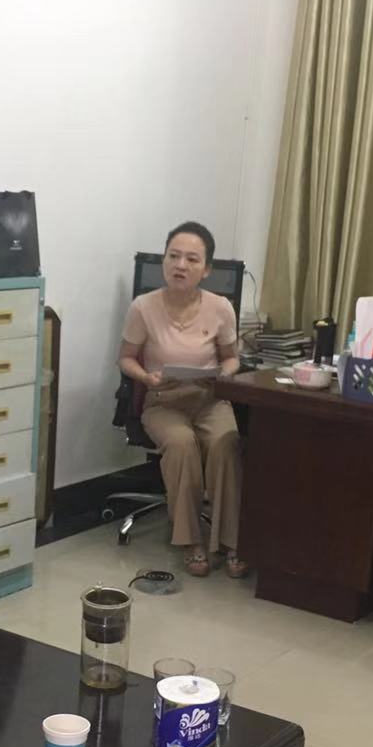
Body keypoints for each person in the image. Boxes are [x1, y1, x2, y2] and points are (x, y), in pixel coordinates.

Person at [118, 221, 246, 578]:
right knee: (181, 443)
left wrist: (224, 374)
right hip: (163, 401)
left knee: (226, 442)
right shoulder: (143, 307)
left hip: (208, 398)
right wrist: (147, 377)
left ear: (206, 269)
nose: (180, 265)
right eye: (173, 256)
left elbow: (232, 357)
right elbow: (125, 358)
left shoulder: (220, 308)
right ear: (164, 261)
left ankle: (233, 541)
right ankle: (191, 541)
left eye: (192, 259)